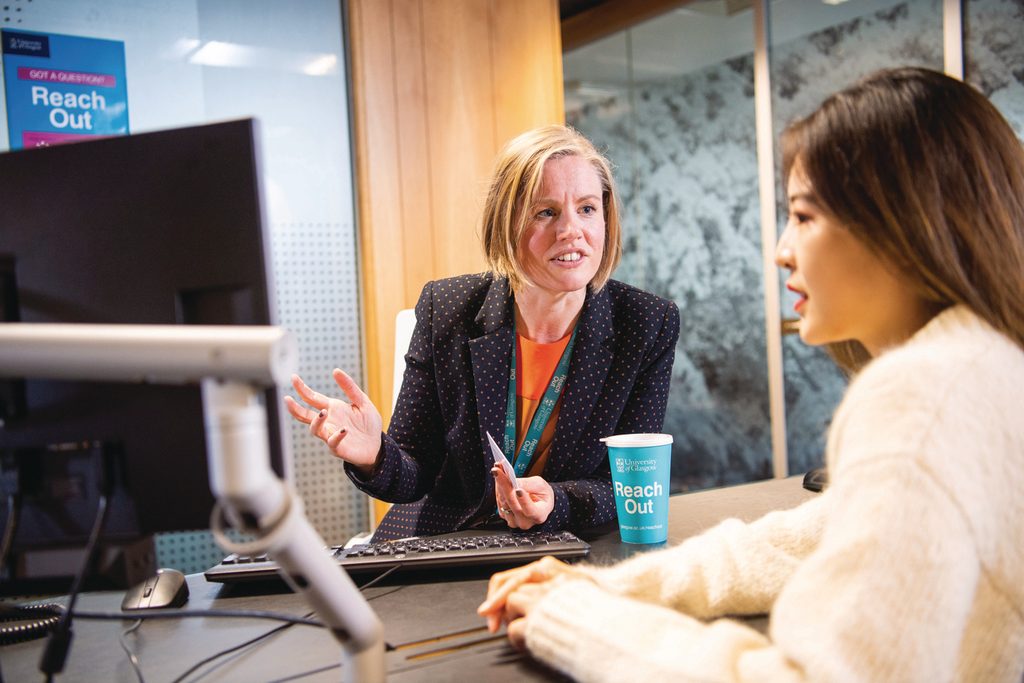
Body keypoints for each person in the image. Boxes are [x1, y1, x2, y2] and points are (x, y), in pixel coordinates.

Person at [478, 67, 1024, 682]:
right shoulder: (985, 367)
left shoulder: (924, 396)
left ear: (905, 226)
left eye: (804, 216)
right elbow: (814, 536)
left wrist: (574, 619)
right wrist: (610, 587)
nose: (780, 249)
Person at [285, 125, 680, 541]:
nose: (570, 230)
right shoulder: (449, 307)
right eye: (545, 212)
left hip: (565, 544)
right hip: (445, 543)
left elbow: (635, 480)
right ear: (506, 224)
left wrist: (556, 500)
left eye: (586, 209)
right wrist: (374, 456)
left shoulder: (646, 321)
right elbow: (412, 473)